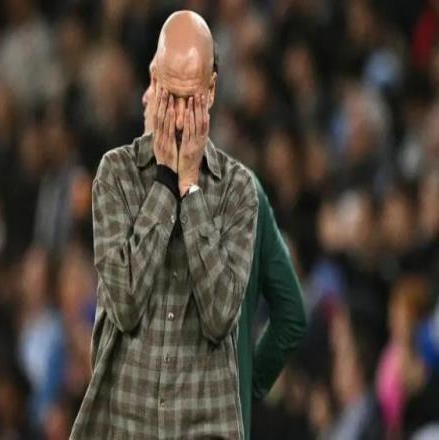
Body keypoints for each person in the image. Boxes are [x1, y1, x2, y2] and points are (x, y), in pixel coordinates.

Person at [71, 10, 258, 439]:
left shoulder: (238, 190)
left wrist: (190, 191)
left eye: (190, 100)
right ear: (152, 82)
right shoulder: (115, 174)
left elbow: (221, 316)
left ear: (212, 90)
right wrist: (165, 182)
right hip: (124, 426)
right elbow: (125, 302)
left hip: (206, 426)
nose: (177, 117)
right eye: (169, 96)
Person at [142, 44, 306, 439]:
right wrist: (244, 387)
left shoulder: (141, 197)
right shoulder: (248, 192)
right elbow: (291, 315)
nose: (145, 98)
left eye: (155, 85)